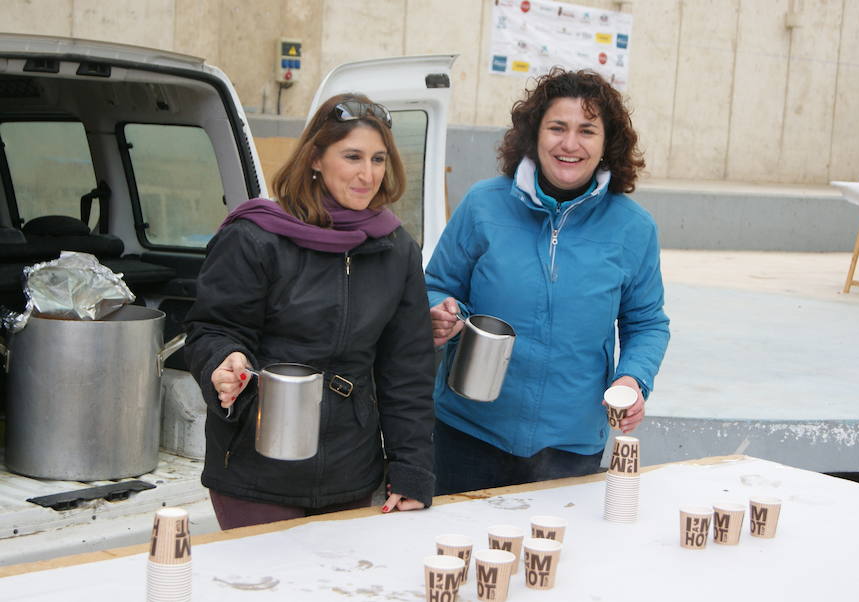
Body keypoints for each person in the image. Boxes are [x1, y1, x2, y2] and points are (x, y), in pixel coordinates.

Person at [184, 93, 435, 529]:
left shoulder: (396, 249)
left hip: (350, 467)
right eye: (352, 156)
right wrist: (222, 363)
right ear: (315, 158)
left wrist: (411, 469)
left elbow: (407, 369)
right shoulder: (256, 237)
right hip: (256, 464)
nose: (367, 174)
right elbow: (211, 330)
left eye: (378, 159)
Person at [426, 68, 670, 495]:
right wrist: (441, 312)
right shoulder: (484, 204)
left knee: (554, 558)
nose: (570, 144)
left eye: (587, 130)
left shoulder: (634, 228)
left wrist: (633, 378)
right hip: (468, 433)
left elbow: (647, 322)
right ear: (534, 134)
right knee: (461, 557)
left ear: (606, 143)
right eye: (557, 127)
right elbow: (437, 284)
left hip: (570, 445)